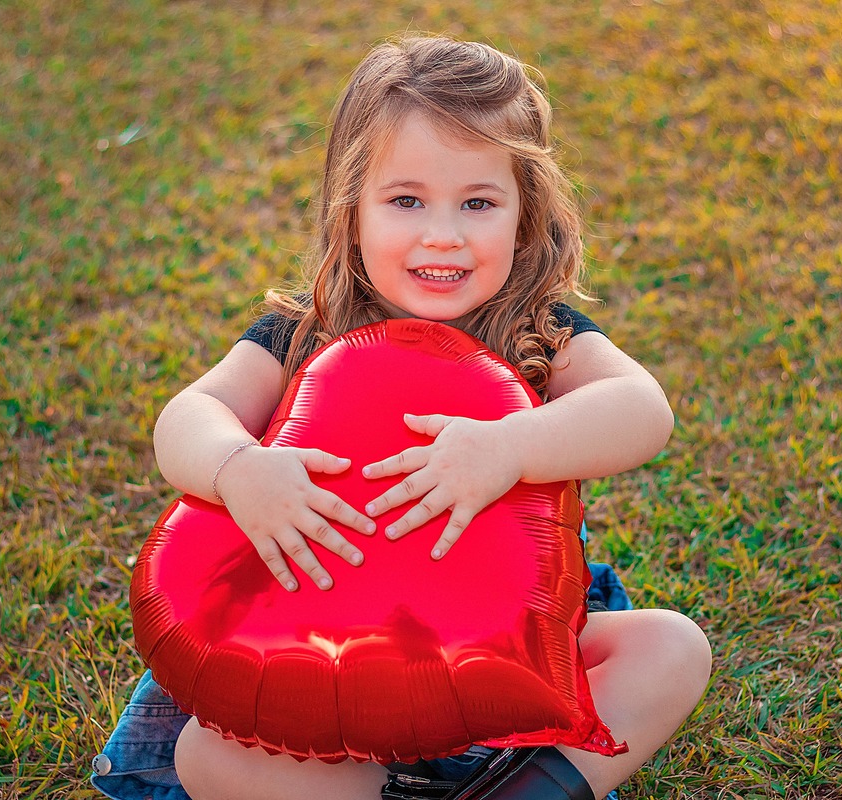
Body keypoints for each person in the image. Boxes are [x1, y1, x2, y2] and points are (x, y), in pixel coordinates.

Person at [92, 35, 710, 800]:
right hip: (323, 676)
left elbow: (643, 410)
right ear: (351, 210)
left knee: (672, 649)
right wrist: (237, 468)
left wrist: (513, 445)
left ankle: (521, 793)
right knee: (209, 756)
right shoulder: (302, 336)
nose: (442, 235)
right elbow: (189, 413)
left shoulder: (537, 332)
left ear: (525, 216)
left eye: (478, 203)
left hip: (510, 668)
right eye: (406, 200)